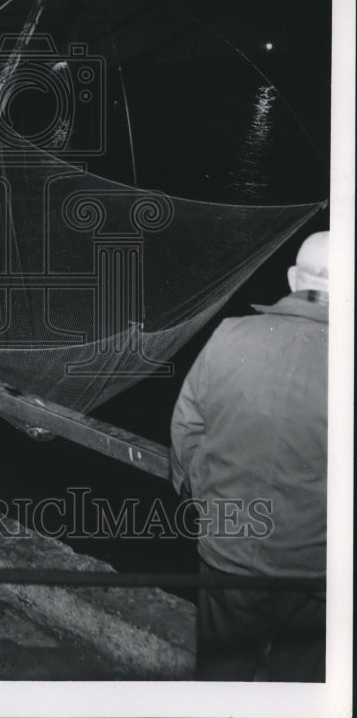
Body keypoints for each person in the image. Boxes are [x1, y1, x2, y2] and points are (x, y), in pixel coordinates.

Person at [170, 230, 328, 682]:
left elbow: (186, 429)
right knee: (298, 684)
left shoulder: (229, 335)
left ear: (294, 279)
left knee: (221, 674)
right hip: (316, 570)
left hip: (229, 551)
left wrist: (214, 498)